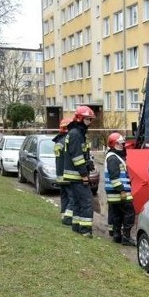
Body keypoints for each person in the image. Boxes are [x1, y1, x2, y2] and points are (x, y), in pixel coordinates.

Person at [63, 105, 96, 238]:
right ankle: (85, 230)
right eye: (88, 119)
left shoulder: (76, 133)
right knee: (87, 202)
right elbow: (77, 157)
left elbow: (79, 155)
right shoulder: (76, 134)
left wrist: (88, 163)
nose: (90, 122)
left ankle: (77, 226)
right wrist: (84, 175)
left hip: (75, 175)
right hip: (77, 175)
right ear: (80, 119)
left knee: (77, 202)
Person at [104, 132, 136, 246]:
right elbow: (114, 177)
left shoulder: (114, 156)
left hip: (115, 193)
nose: (122, 145)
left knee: (117, 215)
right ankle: (126, 237)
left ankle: (117, 236)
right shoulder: (113, 158)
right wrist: (122, 190)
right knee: (130, 213)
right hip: (119, 192)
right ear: (113, 144)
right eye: (119, 144)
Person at [53, 117, 75, 226]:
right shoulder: (68, 140)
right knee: (73, 197)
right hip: (68, 174)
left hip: (59, 175)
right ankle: (67, 218)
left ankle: (63, 215)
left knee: (64, 196)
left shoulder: (58, 141)